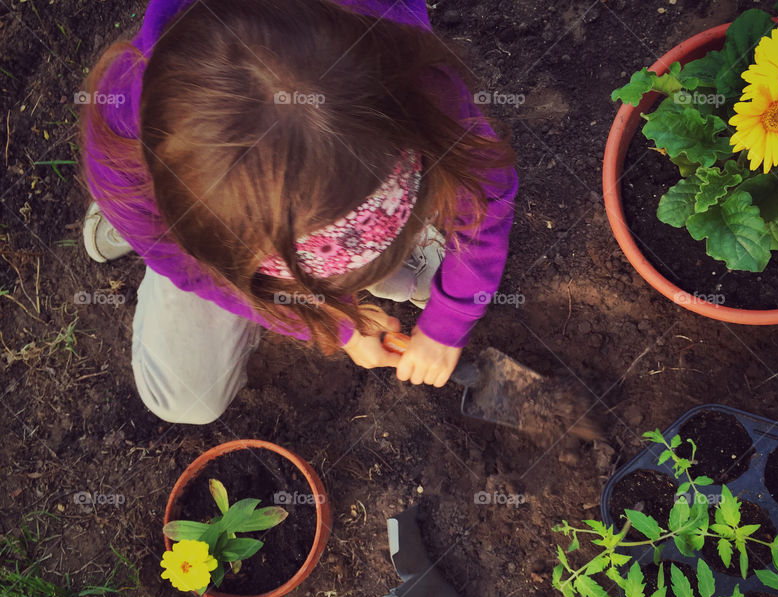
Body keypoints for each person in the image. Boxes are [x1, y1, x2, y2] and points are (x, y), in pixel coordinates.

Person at [80, 0, 517, 424]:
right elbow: (194, 269)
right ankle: (139, 221)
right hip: (166, 198)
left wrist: (449, 319)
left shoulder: (405, 66)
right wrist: (332, 321)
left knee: (417, 275)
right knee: (185, 397)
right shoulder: (119, 150)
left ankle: (377, 251)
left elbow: (486, 194)